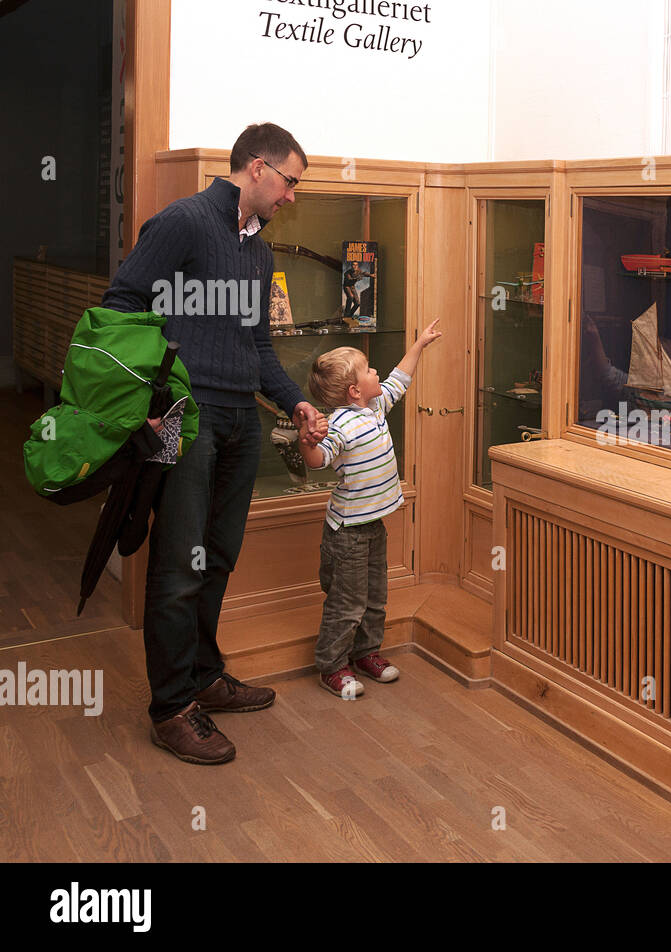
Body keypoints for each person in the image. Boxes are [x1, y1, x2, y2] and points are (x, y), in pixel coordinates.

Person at [101, 123, 327, 765]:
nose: (291, 198)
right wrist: (144, 405)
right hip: (182, 418)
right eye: (289, 182)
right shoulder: (182, 222)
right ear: (256, 168)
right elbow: (121, 306)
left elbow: (257, 348)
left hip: (239, 424)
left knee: (218, 556)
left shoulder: (260, 252)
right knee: (178, 564)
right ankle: (172, 707)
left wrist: (295, 401)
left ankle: (202, 676)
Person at [298, 320, 442, 698]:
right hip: (346, 533)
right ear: (354, 390)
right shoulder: (340, 426)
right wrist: (307, 441)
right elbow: (318, 460)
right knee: (347, 603)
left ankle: (366, 654)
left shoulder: (376, 406)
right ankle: (332, 666)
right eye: (368, 369)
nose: (377, 371)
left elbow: (399, 377)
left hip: (373, 525)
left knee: (375, 597)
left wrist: (420, 344)